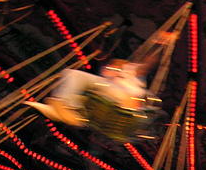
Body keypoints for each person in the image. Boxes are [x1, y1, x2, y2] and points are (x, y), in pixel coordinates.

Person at [26, 31, 177, 127]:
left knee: (78, 78)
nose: (109, 70)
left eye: (113, 67)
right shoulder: (108, 80)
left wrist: (161, 43)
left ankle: (68, 109)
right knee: (73, 77)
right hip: (108, 98)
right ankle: (65, 109)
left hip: (124, 99)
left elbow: (148, 62)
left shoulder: (132, 72)